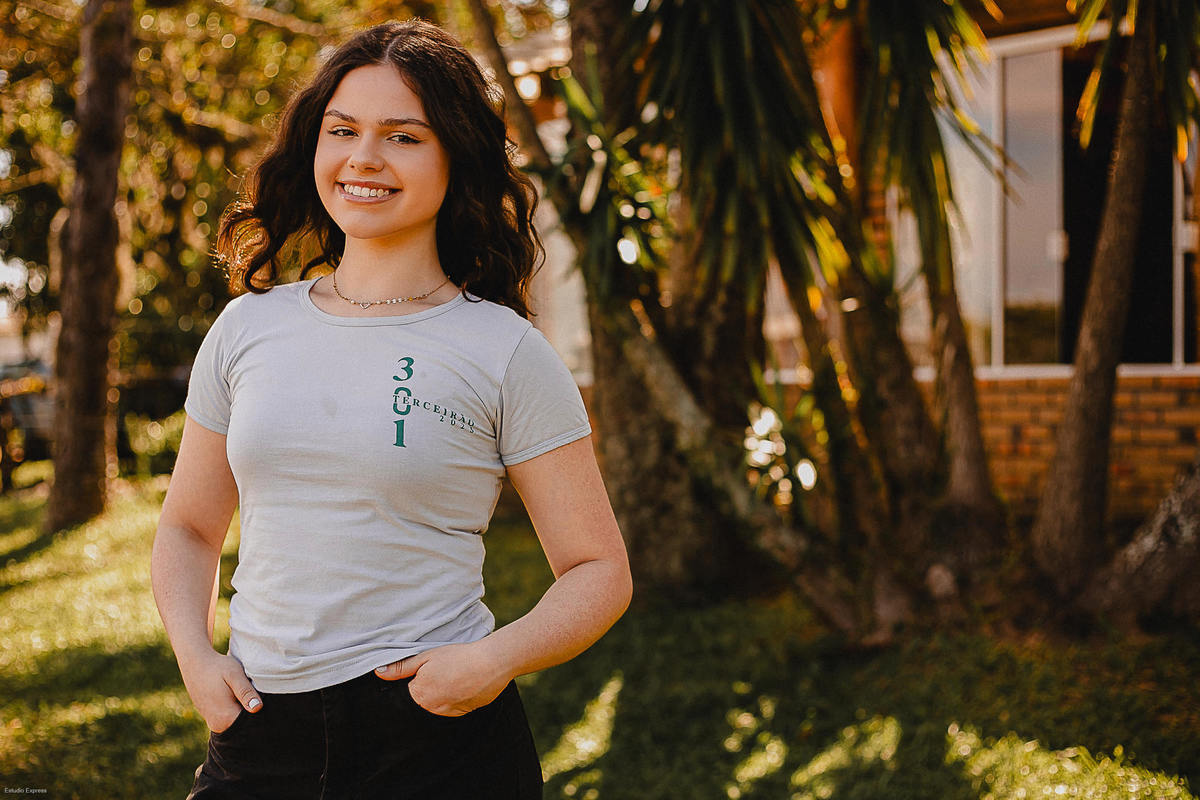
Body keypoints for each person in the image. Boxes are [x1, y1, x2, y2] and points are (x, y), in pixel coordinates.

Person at [150, 18, 632, 799]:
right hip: (257, 734)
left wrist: (495, 658)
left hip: (438, 739)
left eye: (404, 137)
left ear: (457, 159)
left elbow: (599, 570)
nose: (364, 158)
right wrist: (196, 660)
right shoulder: (248, 326)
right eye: (343, 130)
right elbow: (188, 526)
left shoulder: (502, 348)